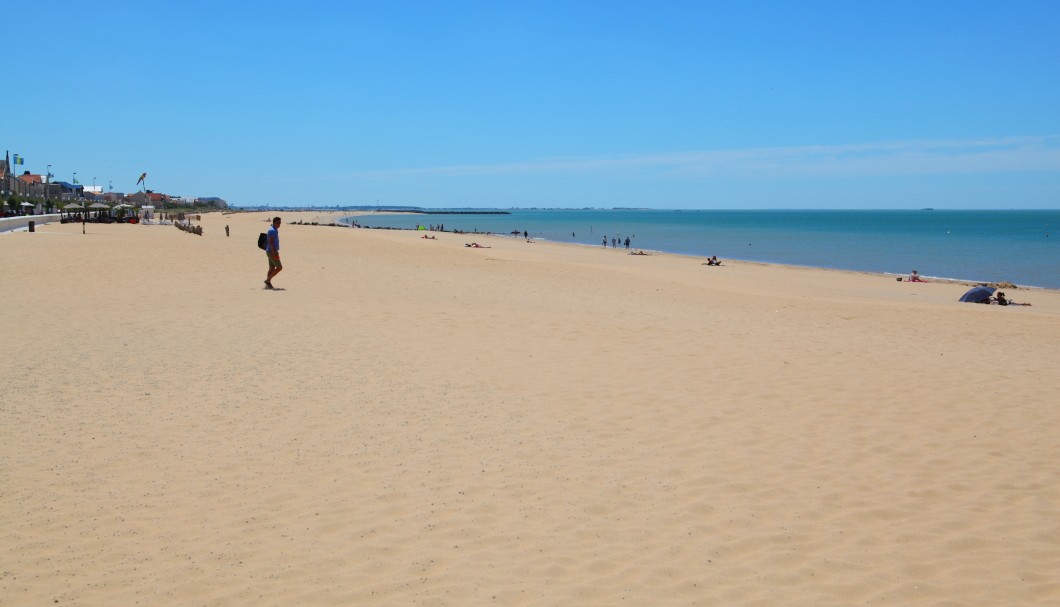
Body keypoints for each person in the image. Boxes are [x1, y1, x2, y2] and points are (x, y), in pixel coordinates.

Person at [264, 216, 282, 289]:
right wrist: (274, 252)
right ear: (273, 222)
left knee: (271, 268)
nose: (279, 224)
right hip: (272, 251)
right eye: (277, 223)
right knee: (279, 267)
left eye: (279, 223)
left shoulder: (275, 229)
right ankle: (268, 280)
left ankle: (268, 285)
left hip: (270, 251)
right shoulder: (272, 230)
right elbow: (270, 242)